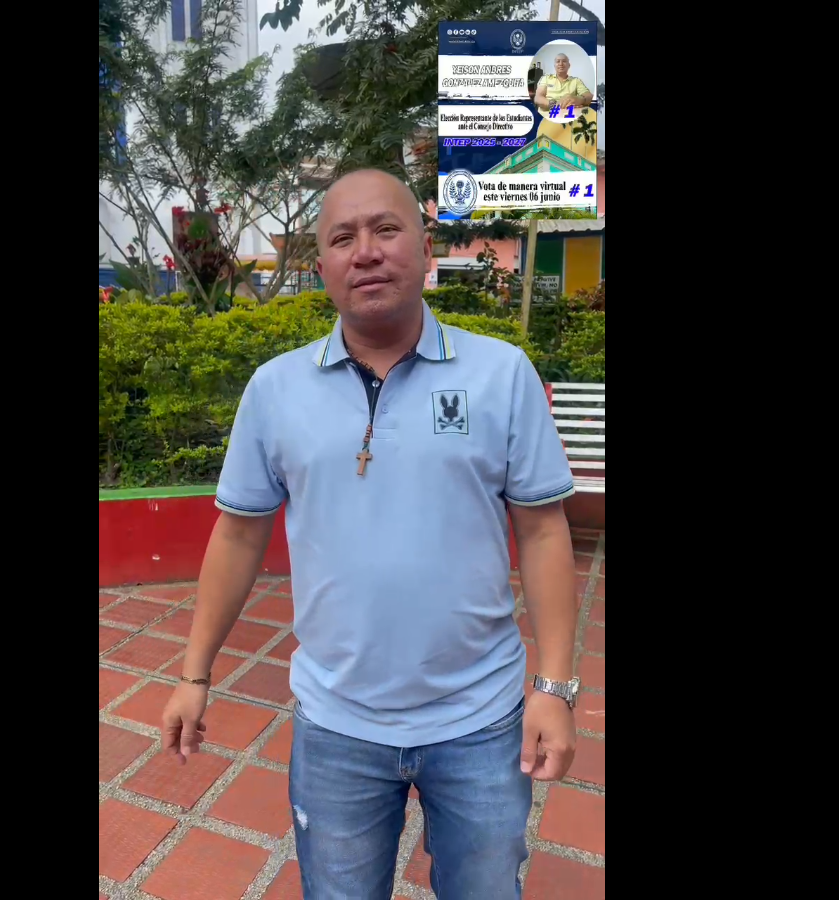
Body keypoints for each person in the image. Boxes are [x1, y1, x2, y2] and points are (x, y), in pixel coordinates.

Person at [159, 168, 581, 899]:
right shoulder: (275, 390)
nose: (366, 252)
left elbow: (543, 532)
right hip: (336, 726)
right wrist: (194, 675)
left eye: (387, 229)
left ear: (425, 247)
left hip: (481, 720)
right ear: (321, 265)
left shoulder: (501, 375)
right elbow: (238, 537)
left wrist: (554, 688)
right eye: (342, 238)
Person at [534, 52, 597, 162]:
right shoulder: (546, 79)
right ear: (554, 65)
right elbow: (538, 98)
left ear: (569, 65)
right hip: (547, 121)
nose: (561, 64)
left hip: (570, 122)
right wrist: (554, 104)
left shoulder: (576, 81)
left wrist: (579, 99)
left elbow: (589, 96)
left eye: (564, 61)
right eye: (558, 61)